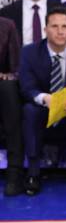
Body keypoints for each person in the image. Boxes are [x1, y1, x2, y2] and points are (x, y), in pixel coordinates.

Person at [19, 5, 66, 195]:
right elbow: (27, 88)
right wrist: (44, 98)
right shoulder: (29, 53)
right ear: (45, 29)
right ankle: (33, 172)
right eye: (54, 26)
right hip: (44, 109)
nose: (60, 31)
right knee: (29, 110)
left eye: (65, 26)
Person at [0, 17, 24, 196]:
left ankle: (14, 171)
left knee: (9, 89)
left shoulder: (7, 25)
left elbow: (16, 68)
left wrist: (8, 76)